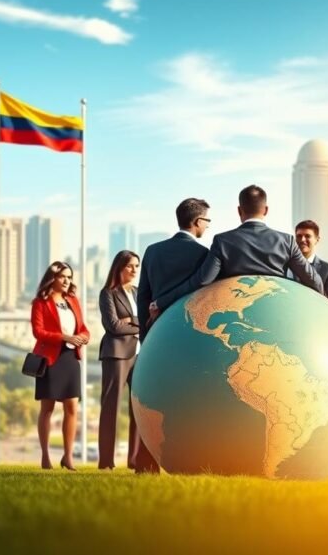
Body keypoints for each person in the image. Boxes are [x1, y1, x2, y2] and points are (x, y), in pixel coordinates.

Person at [149, 185, 323, 319]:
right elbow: (314, 280)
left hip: (237, 319)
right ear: (266, 210)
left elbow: (202, 280)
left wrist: (161, 302)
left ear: (239, 210)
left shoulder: (223, 241)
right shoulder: (286, 241)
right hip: (275, 315)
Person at [133, 198, 212, 474]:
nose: (208, 226)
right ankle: (190, 461)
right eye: (207, 221)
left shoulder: (153, 251)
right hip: (190, 336)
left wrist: (146, 336)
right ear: (198, 221)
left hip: (156, 333)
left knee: (154, 398)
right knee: (190, 399)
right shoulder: (203, 255)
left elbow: (143, 297)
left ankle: (146, 462)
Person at [30, 261, 91, 471]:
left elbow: (83, 328)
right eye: (63, 276)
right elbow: (38, 332)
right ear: (53, 278)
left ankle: (68, 457)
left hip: (70, 358)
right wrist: (65, 337)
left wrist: (84, 337)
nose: (67, 281)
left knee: (72, 407)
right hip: (50, 359)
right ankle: (45, 456)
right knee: (47, 408)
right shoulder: (40, 302)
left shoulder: (72, 300)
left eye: (69, 277)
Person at [98, 250, 141, 470]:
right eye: (130, 266)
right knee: (110, 407)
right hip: (116, 355)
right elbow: (113, 326)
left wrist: (131, 320)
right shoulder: (108, 293)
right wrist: (139, 323)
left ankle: (135, 459)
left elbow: (148, 319)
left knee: (138, 408)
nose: (134, 270)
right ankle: (106, 461)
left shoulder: (138, 292)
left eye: (137, 266)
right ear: (119, 267)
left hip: (140, 354)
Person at [287, 219, 328, 299]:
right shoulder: (285, 266)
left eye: (307, 236)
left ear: (317, 240)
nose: (302, 240)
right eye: (299, 236)